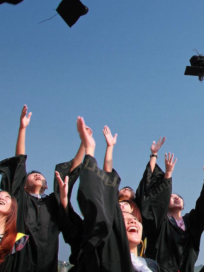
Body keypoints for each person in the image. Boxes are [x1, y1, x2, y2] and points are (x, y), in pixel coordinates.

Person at [65, 116, 170, 272]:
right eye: (123, 217)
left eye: (133, 217)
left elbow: (146, 184)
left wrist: (155, 158)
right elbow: (106, 182)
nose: (131, 221)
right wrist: (98, 149)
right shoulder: (107, 253)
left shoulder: (152, 266)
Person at [0, 105, 74, 272]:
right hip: (19, 262)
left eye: (40, 176)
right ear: (23, 183)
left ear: (47, 185)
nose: (37, 175)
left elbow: (70, 173)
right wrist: (23, 128)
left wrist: (84, 145)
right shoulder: (19, 200)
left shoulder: (52, 202)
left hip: (47, 262)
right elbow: (20, 162)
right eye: (32, 174)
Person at [139, 151, 204, 272]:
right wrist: (168, 175)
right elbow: (156, 206)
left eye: (179, 197)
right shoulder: (161, 222)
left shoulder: (191, 222)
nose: (176, 198)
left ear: (183, 205)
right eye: (171, 197)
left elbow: (203, 209)